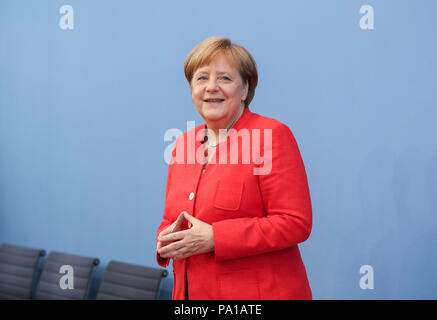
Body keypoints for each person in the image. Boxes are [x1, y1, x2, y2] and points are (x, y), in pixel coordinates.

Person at [156, 36, 312, 300]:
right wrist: (165, 240)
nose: (211, 87)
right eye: (201, 78)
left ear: (244, 90)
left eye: (225, 79)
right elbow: (171, 219)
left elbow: (294, 222)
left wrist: (217, 237)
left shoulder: (270, 135)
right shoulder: (182, 144)